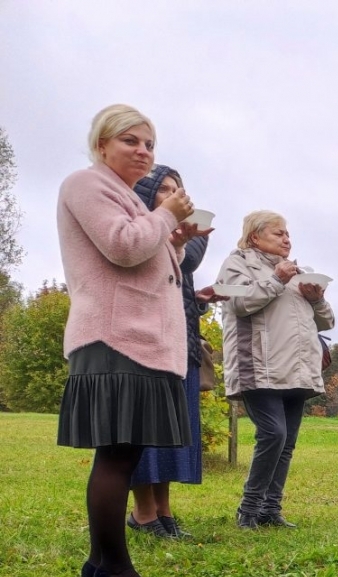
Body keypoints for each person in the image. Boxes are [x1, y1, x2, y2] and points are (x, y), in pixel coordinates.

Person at [57, 104, 196, 577]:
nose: (143, 152)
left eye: (150, 144)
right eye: (130, 141)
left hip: (139, 340)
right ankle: (115, 569)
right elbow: (122, 246)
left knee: (125, 453)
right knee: (116, 457)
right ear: (102, 145)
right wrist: (164, 215)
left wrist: (175, 237)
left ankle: (100, 564)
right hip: (114, 338)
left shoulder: (125, 198)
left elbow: (147, 257)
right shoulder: (86, 184)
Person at [215, 211, 335, 528]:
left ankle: (270, 510)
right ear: (254, 236)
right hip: (258, 365)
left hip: (297, 368)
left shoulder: (301, 273)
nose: (286, 239)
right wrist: (277, 279)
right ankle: (249, 510)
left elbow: (328, 321)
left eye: (287, 234)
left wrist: (317, 299)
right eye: (278, 233)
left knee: (287, 442)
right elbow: (238, 305)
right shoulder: (237, 264)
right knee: (273, 434)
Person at [126, 165, 212, 540]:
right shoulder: (138, 233)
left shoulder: (180, 236)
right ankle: (143, 513)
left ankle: (163, 509)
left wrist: (200, 301)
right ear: (145, 196)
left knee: (173, 432)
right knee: (145, 432)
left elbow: (181, 275)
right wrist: (175, 229)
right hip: (144, 343)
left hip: (182, 342)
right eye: (163, 189)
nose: (175, 195)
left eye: (179, 189)